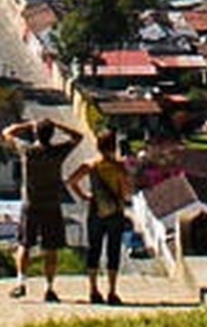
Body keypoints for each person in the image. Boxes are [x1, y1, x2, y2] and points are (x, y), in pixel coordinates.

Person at [3, 115, 82, 300]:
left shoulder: (27, 151)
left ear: (36, 133)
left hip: (30, 204)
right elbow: (78, 137)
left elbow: (7, 132)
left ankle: (21, 283)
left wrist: (27, 125)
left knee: (24, 244)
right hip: (52, 204)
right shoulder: (57, 152)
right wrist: (59, 124)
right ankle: (49, 288)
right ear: (51, 134)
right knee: (51, 248)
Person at [68, 127, 136, 304]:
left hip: (95, 210)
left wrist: (85, 196)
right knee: (113, 251)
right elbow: (128, 192)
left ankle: (93, 290)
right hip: (115, 212)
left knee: (94, 250)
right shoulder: (120, 167)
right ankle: (112, 291)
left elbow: (71, 181)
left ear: (98, 145)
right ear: (114, 146)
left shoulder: (91, 165)